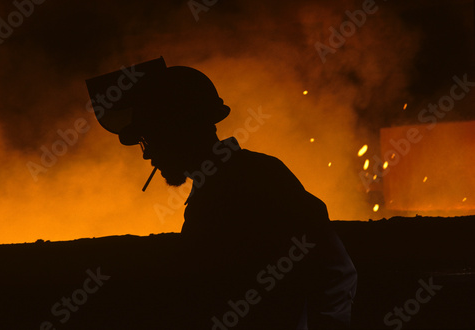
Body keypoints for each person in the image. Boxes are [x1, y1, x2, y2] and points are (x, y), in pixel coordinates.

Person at [86, 57, 357, 329]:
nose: (148, 155)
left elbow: (333, 270)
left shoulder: (254, 180)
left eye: (150, 138)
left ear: (178, 130)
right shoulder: (230, 183)